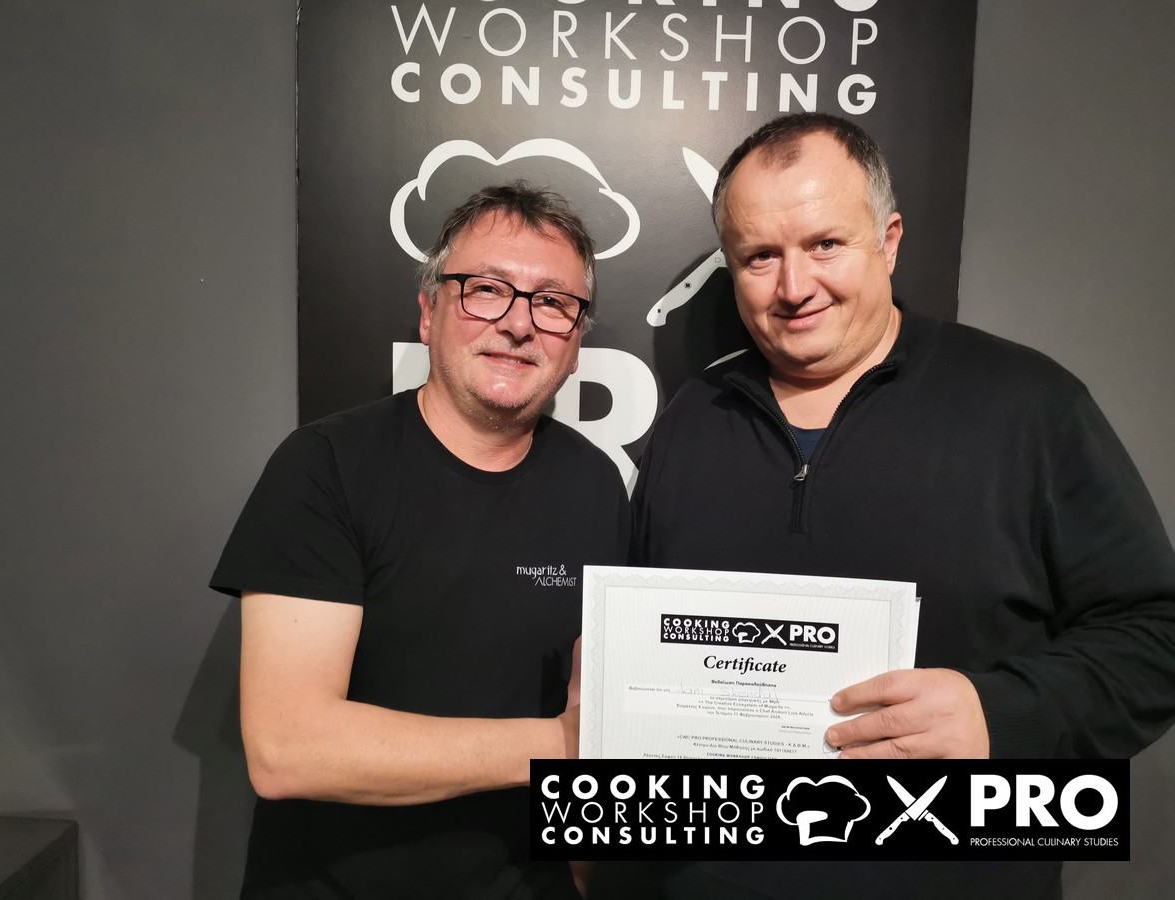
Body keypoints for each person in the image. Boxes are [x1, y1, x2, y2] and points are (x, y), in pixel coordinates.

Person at [624, 113, 1175, 899]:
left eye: (825, 244)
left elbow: (1157, 636)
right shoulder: (691, 418)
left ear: (888, 241)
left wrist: (998, 712)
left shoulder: (1029, 405)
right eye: (759, 256)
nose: (794, 287)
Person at [211, 182, 629, 899]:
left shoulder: (595, 484)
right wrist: (561, 747)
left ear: (577, 345)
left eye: (553, 303)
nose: (519, 323)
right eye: (486, 290)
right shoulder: (326, 466)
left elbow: (601, 701)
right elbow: (287, 748)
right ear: (429, 312)